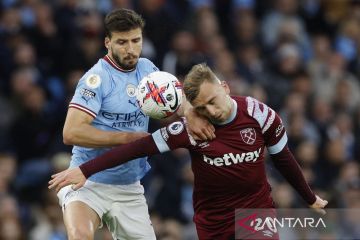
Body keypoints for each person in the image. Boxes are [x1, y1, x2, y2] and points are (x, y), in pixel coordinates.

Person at [50, 63, 327, 239]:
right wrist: (85, 170)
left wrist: (309, 197)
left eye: (212, 101)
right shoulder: (190, 130)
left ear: (225, 88)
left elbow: (284, 158)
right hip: (213, 219)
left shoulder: (260, 116)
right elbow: (137, 148)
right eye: (201, 108)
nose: (210, 111)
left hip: (254, 211)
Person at [56, 9, 213, 240]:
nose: (130, 49)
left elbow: (173, 102)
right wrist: (125, 138)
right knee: (80, 235)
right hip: (87, 181)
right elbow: (70, 132)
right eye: (122, 42)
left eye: (135, 40)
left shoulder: (147, 69)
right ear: (107, 42)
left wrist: (191, 113)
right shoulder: (96, 79)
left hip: (129, 187)